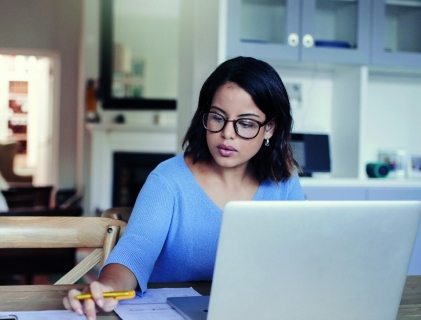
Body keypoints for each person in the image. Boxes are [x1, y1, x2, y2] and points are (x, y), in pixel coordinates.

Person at [63, 56, 305, 319]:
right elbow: (135, 251)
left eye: (246, 123)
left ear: (269, 128)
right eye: (217, 118)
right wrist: (106, 287)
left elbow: (302, 258)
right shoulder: (168, 180)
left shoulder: (284, 182)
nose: (227, 134)